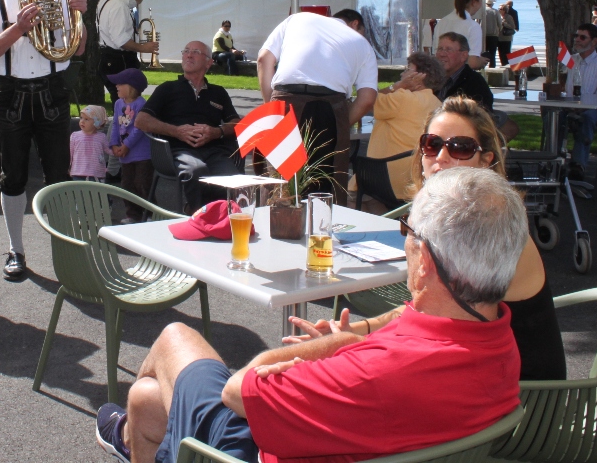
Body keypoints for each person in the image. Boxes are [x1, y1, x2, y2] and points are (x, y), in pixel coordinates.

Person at [95, 165, 528, 463]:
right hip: (358, 434)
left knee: (175, 336)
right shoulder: (500, 344)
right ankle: (132, 436)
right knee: (145, 400)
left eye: (408, 232)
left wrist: (334, 346)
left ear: (426, 262)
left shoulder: (377, 371)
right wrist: (349, 348)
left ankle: (127, 437)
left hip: (258, 450)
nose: (405, 242)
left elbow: (237, 391)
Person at [335, 96, 563, 382]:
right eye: (432, 144)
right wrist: (357, 330)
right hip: (475, 366)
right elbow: (427, 309)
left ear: (486, 161)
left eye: (460, 147)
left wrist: (354, 339)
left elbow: (435, 317)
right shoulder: (450, 218)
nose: (441, 157)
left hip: (520, 390)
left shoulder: (491, 225)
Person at [0, 0, 88, 281]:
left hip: (52, 91)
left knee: (59, 175)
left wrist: (80, 16)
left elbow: (79, 49)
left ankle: (64, 250)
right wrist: (18, 28)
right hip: (12, 93)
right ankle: (16, 249)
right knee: (13, 176)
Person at [257, 10, 378, 204]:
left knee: (280, 183)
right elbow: (367, 99)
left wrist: (272, 108)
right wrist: (342, 124)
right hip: (332, 109)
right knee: (326, 189)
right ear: (355, 25)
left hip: (287, 98)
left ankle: (277, 219)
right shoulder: (362, 43)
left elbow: (264, 59)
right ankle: (323, 221)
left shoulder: (298, 18)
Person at [136, 42, 241, 212]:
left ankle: (218, 217)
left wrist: (217, 132)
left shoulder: (218, 92)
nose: (189, 55)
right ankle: (199, 216)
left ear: (209, 62)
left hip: (215, 151)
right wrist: (177, 131)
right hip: (178, 151)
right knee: (196, 170)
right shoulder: (167, 89)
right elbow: (141, 120)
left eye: (196, 52)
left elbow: (237, 123)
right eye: (186, 51)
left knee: (233, 179)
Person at [362, 52, 444, 204]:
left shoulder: (402, 97)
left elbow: (368, 101)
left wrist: (397, 86)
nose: (402, 73)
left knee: (348, 196)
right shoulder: (437, 103)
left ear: (419, 76)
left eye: (407, 69)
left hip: (386, 176)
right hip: (417, 174)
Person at [434, 31, 518, 143]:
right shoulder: (431, 78)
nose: (442, 54)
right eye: (440, 49)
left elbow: (478, 120)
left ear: (463, 56)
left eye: (448, 50)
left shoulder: (474, 83)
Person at [562, 23, 597, 180]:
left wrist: (582, 108)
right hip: (570, 106)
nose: (577, 40)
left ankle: (578, 165)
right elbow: (564, 88)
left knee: (586, 119)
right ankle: (553, 160)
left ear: (594, 42)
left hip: (593, 109)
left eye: (582, 37)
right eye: (576, 36)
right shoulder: (571, 60)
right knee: (553, 117)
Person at [98, 0, 156, 102]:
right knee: (126, 101)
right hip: (119, 59)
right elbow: (121, 40)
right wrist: (143, 48)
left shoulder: (109, 0)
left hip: (110, 58)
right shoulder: (118, 5)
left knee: (121, 101)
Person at [107, 68, 153, 224]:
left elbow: (139, 128)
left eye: (120, 84)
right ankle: (133, 215)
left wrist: (126, 145)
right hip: (125, 155)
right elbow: (115, 124)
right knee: (127, 184)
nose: (116, 86)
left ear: (132, 87)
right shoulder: (118, 103)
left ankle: (150, 214)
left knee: (142, 184)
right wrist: (114, 144)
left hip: (142, 154)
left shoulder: (141, 104)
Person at [428, 0, 487, 69]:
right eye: (480, 0)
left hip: (442, 73)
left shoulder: (442, 22)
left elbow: (436, 55)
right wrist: (481, 61)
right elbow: (472, 63)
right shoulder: (473, 26)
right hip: (461, 75)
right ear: (474, 2)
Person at [71, 105, 111, 182]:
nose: (82, 121)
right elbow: (71, 152)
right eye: (81, 118)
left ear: (96, 122)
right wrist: (70, 167)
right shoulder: (75, 135)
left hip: (96, 173)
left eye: (86, 119)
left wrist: (118, 151)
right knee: (79, 189)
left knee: (97, 190)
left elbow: (108, 149)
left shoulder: (101, 137)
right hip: (78, 172)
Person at [482, 0, 502, 66]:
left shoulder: (482, 11)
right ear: (492, 4)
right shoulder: (495, 11)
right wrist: (499, 31)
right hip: (493, 36)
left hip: (484, 35)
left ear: (486, 3)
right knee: (492, 53)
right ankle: (492, 67)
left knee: (483, 53)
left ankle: (482, 67)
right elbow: (500, 23)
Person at [496, 2, 517, 67]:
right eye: (498, 8)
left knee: (507, 53)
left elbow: (513, 26)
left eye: (501, 9)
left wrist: (504, 23)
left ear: (504, 10)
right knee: (500, 53)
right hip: (499, 38)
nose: (499, 10)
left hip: (506, 38)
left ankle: (507, 66)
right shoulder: (498, 16)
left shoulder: (509, 17)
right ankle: (503, 65)